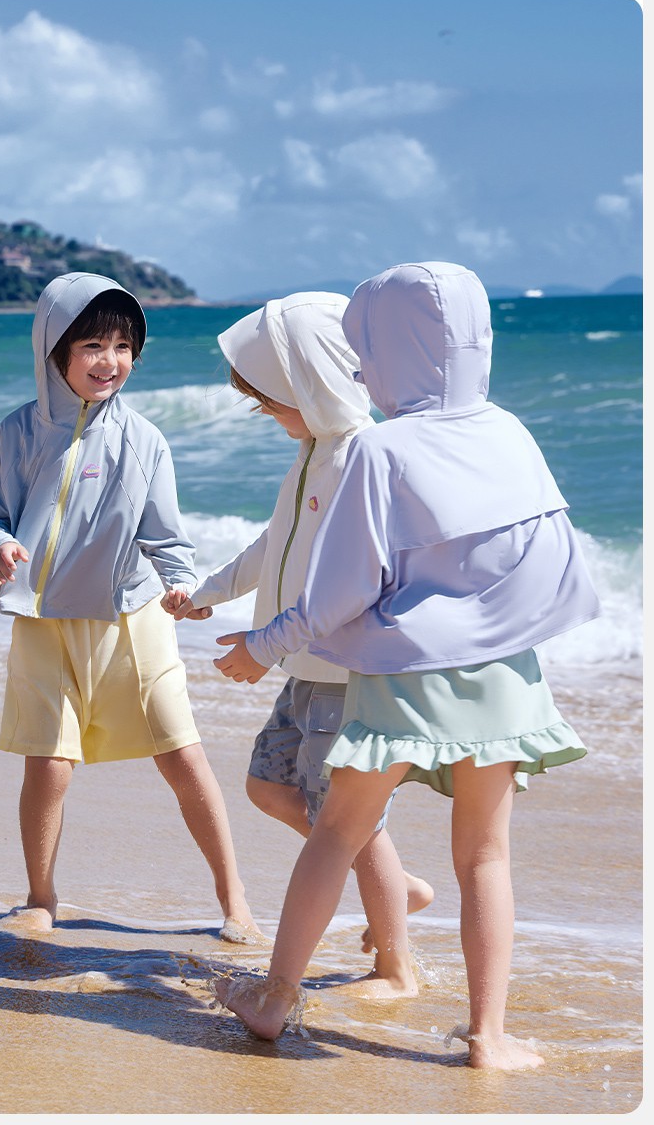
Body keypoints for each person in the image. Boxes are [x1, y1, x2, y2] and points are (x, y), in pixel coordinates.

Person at [211, 262, 600, 1068]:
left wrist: (262, 645)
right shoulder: (510, 432)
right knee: (485, 854)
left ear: (385, 352)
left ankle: (274, 999)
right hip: (506, 675)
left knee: (336, 832)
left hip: (405, 672)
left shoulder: (380, 449)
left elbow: (341, 590)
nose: (361, 372)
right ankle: (488, 1035)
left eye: (367, 352)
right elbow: (553, 555)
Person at [0, 271, 258, 941]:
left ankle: (234, 897)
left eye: (124, 347)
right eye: (93, 345)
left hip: (133, 619)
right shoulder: (17, 433)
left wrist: (183, 587)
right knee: (49, 764)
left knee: (181, 754)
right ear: (56, 350)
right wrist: (0, 545)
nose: (110, 361)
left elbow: (166, 536)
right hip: (43, 621)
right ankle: (41, 897)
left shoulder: (144, 439)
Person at [170, 293, 433, 996]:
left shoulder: (362, 459)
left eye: (272, 402)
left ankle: (396, 966)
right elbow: (274, 544)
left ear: (312, 385)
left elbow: (355, 580)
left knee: (350, 823)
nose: (266, 414)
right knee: (268, 786)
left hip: (346, 674)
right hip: (305, 668)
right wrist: (210, 591)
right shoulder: (312, 453)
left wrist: (262, 643)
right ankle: (394, 884)